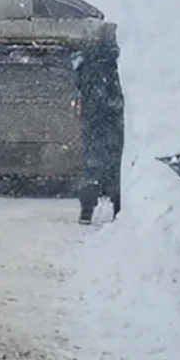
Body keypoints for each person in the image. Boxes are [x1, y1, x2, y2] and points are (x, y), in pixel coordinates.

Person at [72, 34, 125, 224]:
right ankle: (118, 210)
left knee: (92, 168)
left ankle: (86, 211)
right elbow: (117, 98)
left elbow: (80, 88)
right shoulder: (116, 66)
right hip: (115, 124)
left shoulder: (86, 64)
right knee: (117, 168)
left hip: (92, 124)